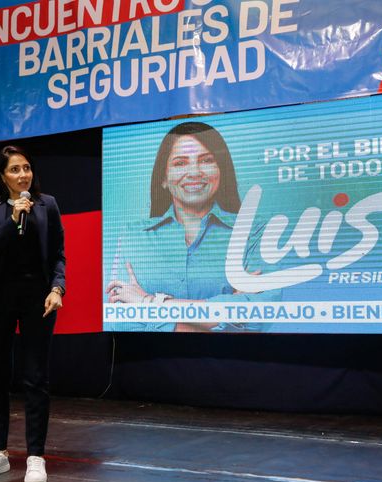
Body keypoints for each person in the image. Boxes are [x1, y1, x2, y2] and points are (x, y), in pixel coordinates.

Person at [105, 121, 276, 332]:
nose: (194, 172)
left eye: (206, 160)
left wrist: (148, 303)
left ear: (221, 172)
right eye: (180, 163)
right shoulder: (133, 236)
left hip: (231, 361)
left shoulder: (253, 230)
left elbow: (259, 315)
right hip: (151, 360)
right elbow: (121, 322)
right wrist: (219, 315)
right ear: (164, 179)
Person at [0, 145, 65, 482]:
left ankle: (35, 456)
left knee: (36, 377)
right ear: (1, 176)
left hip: (37, 297)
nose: (23, 174)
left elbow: (58, 254)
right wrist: (11, 220)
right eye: (14, 169)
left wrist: (58, 289)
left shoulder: (46, 205)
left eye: (27, 167)